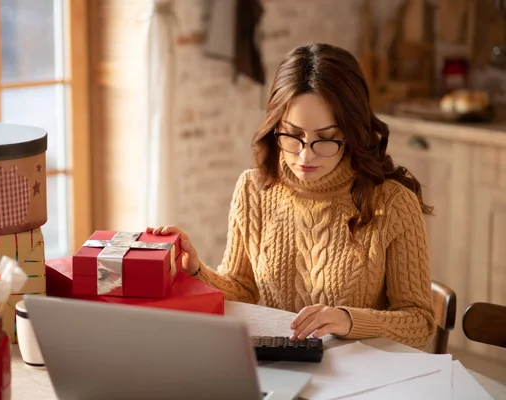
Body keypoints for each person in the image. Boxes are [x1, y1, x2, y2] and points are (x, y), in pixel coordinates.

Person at [148, 43, 435, 350]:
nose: (304, 154)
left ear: (351, 132)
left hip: (359, 376)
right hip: (279, 366)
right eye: (293, 135)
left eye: (324, 139)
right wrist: (196, 271)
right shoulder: (253, 190)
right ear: (276, 126)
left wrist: (349, 320)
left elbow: (420, 323)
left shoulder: (393, 203)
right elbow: (243, 290)